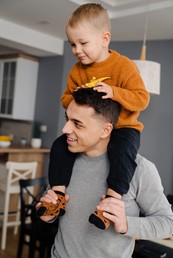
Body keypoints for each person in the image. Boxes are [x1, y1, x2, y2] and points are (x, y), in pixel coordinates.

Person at [37, 2, 150, 229]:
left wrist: (114, 92)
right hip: (90, 130)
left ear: (104, 38)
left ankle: (110, 203)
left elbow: (142, 99)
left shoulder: (123, 66)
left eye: (83, 43)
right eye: (72, 44)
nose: (77, 50)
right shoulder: (77, 70)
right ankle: (57, 196)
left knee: (123, 151)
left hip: (123, 127)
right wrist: (78, 96)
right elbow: (65, 99)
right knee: (60, 145)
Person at [37, 88, 173, 258]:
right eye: (67, 119)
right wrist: (47, 214)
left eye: (77, 124)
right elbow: (53, 211)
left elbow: (168, 222)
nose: (65, 129)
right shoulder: (63, 160)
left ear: (105, 130)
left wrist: (126, 224)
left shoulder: (140, 169)